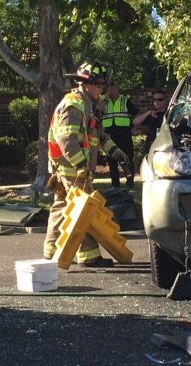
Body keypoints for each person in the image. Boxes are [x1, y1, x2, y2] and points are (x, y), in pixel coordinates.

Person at [43, 61, 130, 268]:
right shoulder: (73, 105)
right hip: (72, 169)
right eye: (98, 86)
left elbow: (98, 135)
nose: (101, 90)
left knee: (63, 207)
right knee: (84, 211)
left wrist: (116, 153)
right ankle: (89, 256)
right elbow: (66, 139)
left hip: (69, 169)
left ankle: (51, 250)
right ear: (86, 84)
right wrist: (81, 166)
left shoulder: (87, 105)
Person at [101, 80, 137, 189]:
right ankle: (115, 184)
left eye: (113, 89)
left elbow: (135, 112)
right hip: (109, 135)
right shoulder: (104, 102)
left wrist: (132, 126)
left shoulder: (124, 100)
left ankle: (130, 182)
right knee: (112, 160)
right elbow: (97, 111)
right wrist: (105, 99)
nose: (112, 92)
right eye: (109, 90)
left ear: (117, 89)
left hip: (124, 134)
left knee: (128, 158)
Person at [133, 89, 168, 160]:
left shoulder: (169, 114)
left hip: (165, 145)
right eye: (154, 100)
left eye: (160, 99)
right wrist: (148, 113)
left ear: (165, 100)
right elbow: (135, 122)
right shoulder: (151, 114)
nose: (156, 102)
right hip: (151, 146)